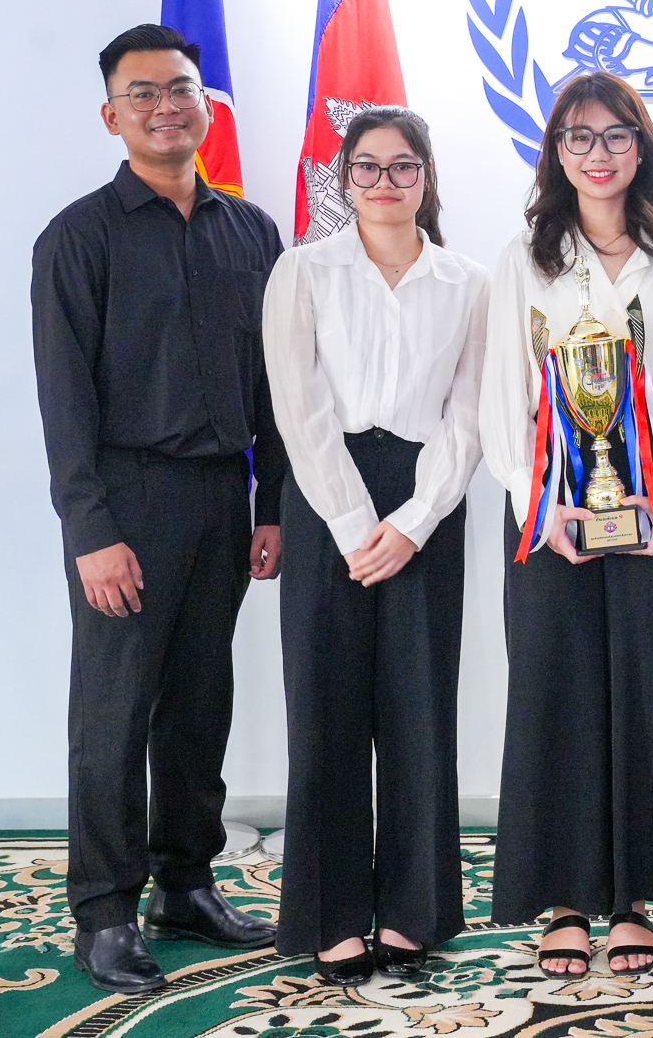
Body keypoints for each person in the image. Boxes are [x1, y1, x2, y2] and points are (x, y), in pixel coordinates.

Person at [31, 24, 284, 994]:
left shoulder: (250, 232)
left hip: (223, 498)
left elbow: (270, 385)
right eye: (142, 94)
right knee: (112, 713)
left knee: (198, 703)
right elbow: (65, 402)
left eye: (180, 89)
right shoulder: (79, 239)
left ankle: (187, 882)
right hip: (124, 506)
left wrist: (272, 504)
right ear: (111, 116)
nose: (165, 107)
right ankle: (104, 910)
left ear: (206, 106)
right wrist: (90, 533)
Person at [480, 71, 653, 976]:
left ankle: (635, 897)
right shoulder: (524, 258)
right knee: (558, 695)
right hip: (554, 518)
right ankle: (568, 898)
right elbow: (504, 389)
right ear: (556, 153)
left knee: (648, 695)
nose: (599, 154)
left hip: (652, 513)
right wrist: (539, 503)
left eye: (617, 136)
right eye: (579, 139)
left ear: (643, 147)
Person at [262, 108, 487, 984]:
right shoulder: (304, 270)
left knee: (419, 713)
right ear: (342, 179)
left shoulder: (467, 280)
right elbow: (298, 406)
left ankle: (412, 909)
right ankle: (328, 914)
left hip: (429, 498)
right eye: (368, 168)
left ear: (428, 177)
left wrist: (417, 519)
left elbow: (470, 412)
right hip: (328, 500)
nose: (386, 183)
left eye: (404, 167)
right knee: (326, 713)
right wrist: (359, 526)